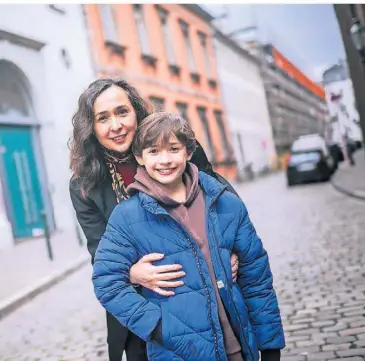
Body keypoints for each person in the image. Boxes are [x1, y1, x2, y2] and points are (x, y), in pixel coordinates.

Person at [68, 77, 241, 361]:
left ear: (136, 111)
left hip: (206, 290)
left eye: (122, 112)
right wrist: (132, 274)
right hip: (144, 309)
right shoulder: (84, 184)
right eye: (103, 118)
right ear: (91, 128)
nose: (116, 125)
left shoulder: (175, 147)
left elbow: (222, 202)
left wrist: (231, 249)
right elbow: (99, 251)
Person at [92, 112, 285, 361]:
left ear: (188, 151)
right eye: (153, 152)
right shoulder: (127, 217)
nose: (165, 160)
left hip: (238, 348)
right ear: (139, 157)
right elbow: (107, 282)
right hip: (177, 354)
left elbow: (257, 279)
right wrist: (160, 329)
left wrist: (270, 348)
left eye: (173, 149)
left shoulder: (226, 203)